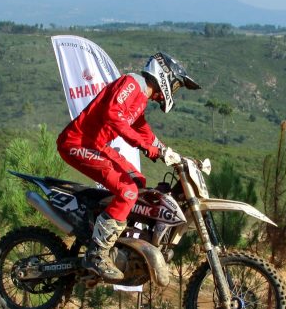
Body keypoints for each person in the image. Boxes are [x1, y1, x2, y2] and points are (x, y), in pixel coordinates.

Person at [57, 52, 200, 281]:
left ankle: (110, 237)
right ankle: (97, 253)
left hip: (96, 145)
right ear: (165, 76)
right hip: (77, 142)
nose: (173, 91)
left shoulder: (141, 97)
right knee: (128, 191)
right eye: (175, 85)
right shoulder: (132, 83)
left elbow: (142, 129)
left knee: (137, 182)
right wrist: (144, 146)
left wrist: (166, 152)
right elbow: (113, 115)